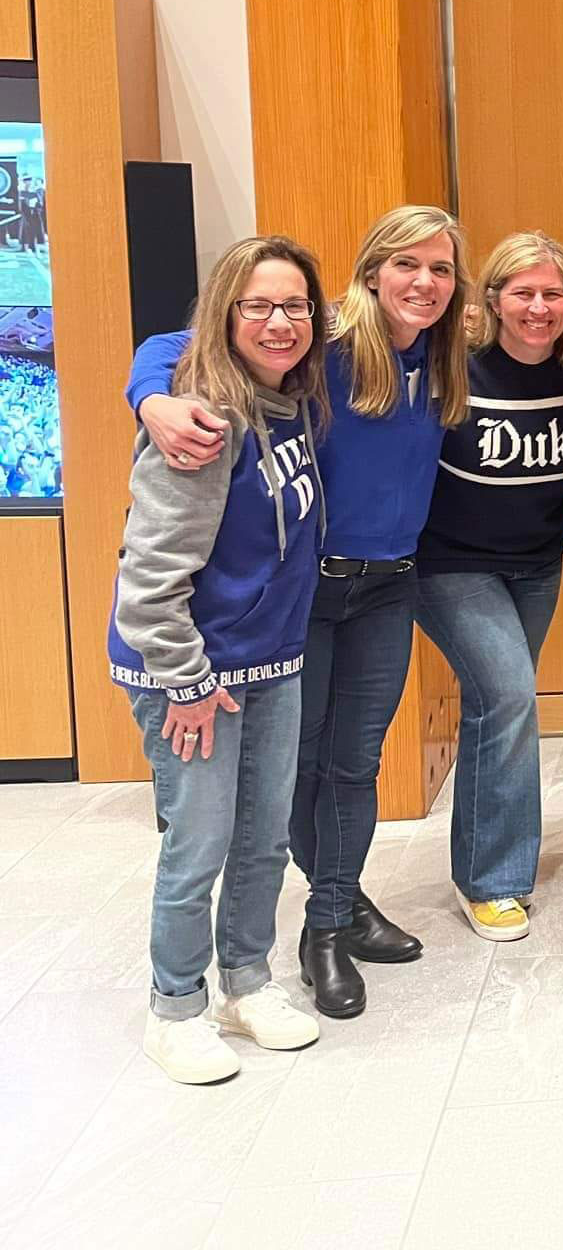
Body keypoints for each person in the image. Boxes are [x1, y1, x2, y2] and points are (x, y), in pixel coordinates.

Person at [132, 205, 472, 1019]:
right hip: (308, 591)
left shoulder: (453, 347)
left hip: (389, 585)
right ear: (370, 270)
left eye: (442, 269)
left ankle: (331, 920)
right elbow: (181, 344)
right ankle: (318, 915)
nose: (424, 283)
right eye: (407, 265)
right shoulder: (325, 337)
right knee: (300, 768)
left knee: (355, 766)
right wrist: (150, 399)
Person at [112, 237, 329, 1082]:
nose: (280, 323)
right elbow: (149, 582)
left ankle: (245, 981)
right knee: (197, 844)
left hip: (270, 660)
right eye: (258, 306)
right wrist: (188, 683)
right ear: (224, 314)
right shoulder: (202, 421)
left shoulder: (295, 396)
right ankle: (176, 1007)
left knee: (263, 838)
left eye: (295, 306)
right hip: (191, 672)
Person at [414, 233, 563, 941]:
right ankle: (492, 880)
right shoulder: (453, 369)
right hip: (449, 565)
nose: (539, 306)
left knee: (499, 708)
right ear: (491, 299)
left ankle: (483, 861)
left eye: (553, 293)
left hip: (536, 565)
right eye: (522, 292)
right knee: (510, 697)